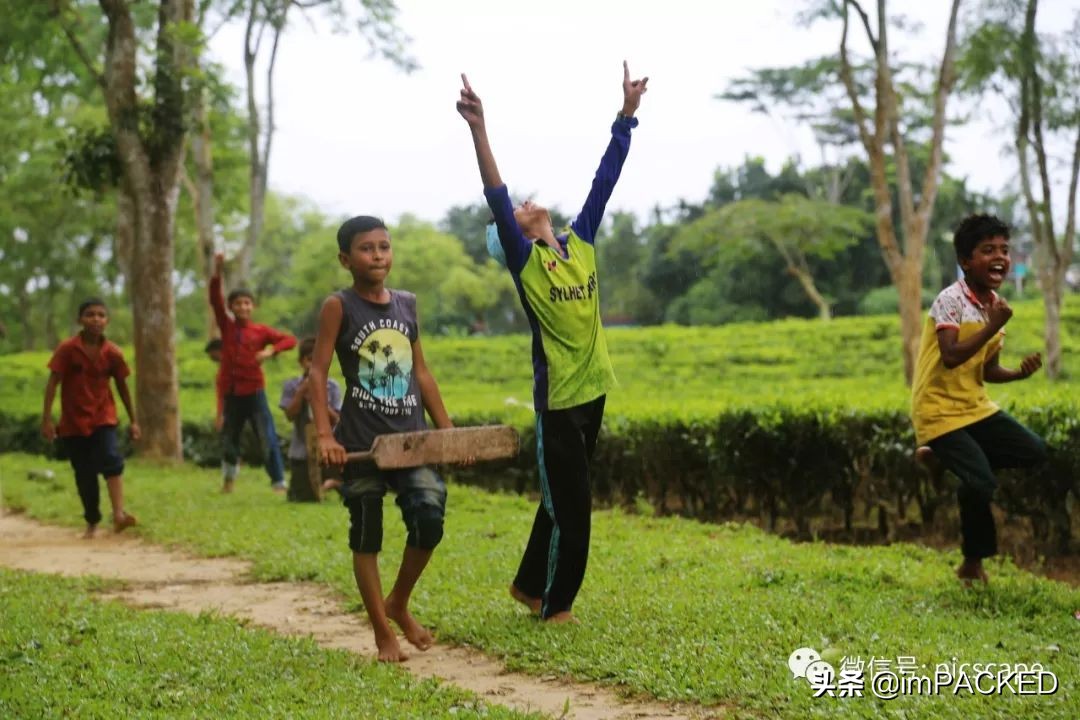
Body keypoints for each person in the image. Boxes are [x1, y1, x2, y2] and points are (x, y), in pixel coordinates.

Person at [457, 62, 648, 622]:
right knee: (575, 507)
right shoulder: (527, 264)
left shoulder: (580, 241)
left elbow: (605, 178)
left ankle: (526, 584)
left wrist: (627, 115)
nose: (524, 204)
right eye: (516, 212)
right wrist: (479, 129)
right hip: (560, 402)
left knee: (558, 497)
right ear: (513, 233)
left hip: (595, 391)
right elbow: (495, 191)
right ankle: (555, 605)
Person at [309, 215, 458, 663]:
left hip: (410, 441)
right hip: (360, 442)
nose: (378, 255)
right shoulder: (339, 306)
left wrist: (448, 431)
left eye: (384, 247)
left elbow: (422, 371)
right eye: (367, 248)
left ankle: (398, 601)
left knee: (429, 518)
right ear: (345, 258)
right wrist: (323, 434)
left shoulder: (407, 305)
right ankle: (381, 630)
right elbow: (318, 372)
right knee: (367, 534)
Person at [911, 214, 1047, 584]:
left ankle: (944, 459)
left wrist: (1018, 373)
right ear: (966, 261)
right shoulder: (950, 301)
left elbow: (986, 369)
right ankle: (972, 563)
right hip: (938, 409)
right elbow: (952, 356)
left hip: (974, 407)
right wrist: (993, 325)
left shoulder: (995, 306)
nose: (1000, 257)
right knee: (981, 483)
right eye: (988, 250)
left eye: (1003, 249)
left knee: (1034, 451)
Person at [41, 298, 139, 538]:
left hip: (103, 416)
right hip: (73, 422)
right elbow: (53, 383)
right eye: (90, 315)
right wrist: (47, 419)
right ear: (80, 320)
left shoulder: (113, 353)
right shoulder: (67, 349)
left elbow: (123, 388)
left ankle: (118, 515)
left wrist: (134, 420)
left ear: (107, 321)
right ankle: (92, 520)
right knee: (84, 474)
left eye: (101, 315)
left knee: (111, 458)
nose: (96, 319)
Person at [209, 252, 297, 493]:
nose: (243, 307)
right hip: (231, 394)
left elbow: (290, 340)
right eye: (238, 303)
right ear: (231, 307)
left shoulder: (260, 331)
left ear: (253, 306)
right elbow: (214, 299)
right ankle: (228, 482)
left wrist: (270, 352)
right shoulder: (226, 326)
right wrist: (217, 271)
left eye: (247, 303)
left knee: (267, 437)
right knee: (230, 440)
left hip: (254, 393)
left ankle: (278, 482)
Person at [279, 337, 342, 502]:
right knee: (300, 496)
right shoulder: (292, 386)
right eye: (309, 360)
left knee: (348, 484)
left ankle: (332, 483)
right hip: (302, 450)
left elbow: (336, 419)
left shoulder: (332, 386)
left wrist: (318, 400)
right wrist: (301, 394)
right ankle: (319, 486)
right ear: (301, 362)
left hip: (328, 448)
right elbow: (289, 415)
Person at [204, 338, 226, 431]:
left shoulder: (224, 372)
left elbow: (222, 397)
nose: (211, 357)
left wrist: (220, 416)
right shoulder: (221, 372)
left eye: (212, 354)